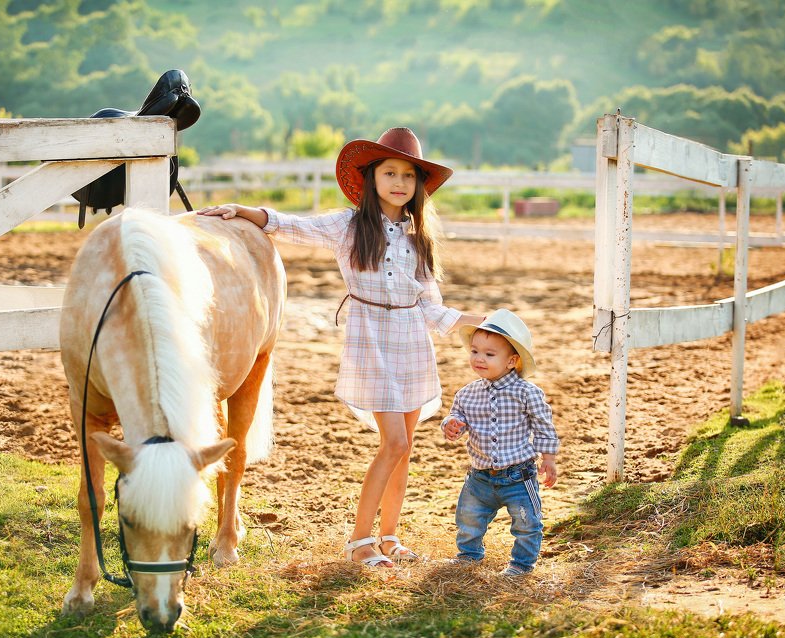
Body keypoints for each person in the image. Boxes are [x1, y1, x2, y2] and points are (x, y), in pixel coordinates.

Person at [198, 127, 483, 568]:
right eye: (391, 173)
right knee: (392, 442)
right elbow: (293, 226)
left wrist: (470, 321)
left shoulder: (419, 239)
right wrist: (245, 211)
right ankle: (359, 541)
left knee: (405, 446)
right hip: (371, 341)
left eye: (409, 176)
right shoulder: (348, 226)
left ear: (418, 187)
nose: (400, 183)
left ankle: (389, 536)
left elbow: (430, 307)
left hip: (412, 343)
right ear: (371, 178)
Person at [441, 308, 559, 577]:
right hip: (479, 476)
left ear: (511, 361)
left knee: (526, 521)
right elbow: (456, 418)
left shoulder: (527, 392)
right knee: (469, 518)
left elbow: (543, 425)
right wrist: (451, 425)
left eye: (489, 354)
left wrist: (548, 458)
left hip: (518, 476)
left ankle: (521, 564)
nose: (479, 359)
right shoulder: (467, 393)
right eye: (474, 351)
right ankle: (468, 555)